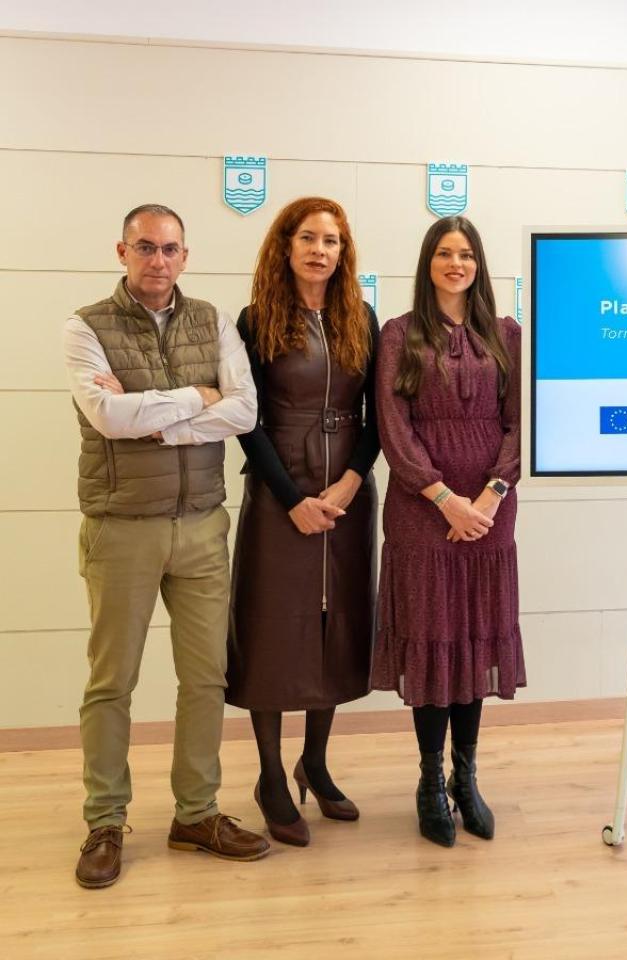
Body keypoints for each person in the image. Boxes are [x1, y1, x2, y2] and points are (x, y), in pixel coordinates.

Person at [66, 204, 268, 888]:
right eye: (146, 247)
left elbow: (245, 409)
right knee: (111, 683)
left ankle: (197, 815)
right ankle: (104, 821)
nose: (158, 260)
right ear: (121, 251)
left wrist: (160, 418)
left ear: (186, 255)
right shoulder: (86, 326)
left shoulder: (213, 320)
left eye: (170, 248)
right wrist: (197, 395)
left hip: (203, 524)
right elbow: (107, 414)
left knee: (206, 678)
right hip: (121, 526)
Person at [226, 197, 381, 846]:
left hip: (347, 494)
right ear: (285, 246)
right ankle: (270, 776)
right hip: (277, 491)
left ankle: (314, 763)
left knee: (332, 623)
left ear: (344, 253)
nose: (321, 251)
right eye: (309, 238)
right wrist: (291, 497)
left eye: (332, 241)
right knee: (270, 626)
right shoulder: (256, 319)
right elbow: (246, 420)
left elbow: (378, 418)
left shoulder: (360, 317)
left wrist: (350, 482)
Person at [372, 216, 524, 847]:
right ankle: (430, 781)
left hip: (489, 514)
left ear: (478, 264)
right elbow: (393, 428)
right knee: (434, 637)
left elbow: (520, 424)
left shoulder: (507, 335)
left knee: (474, 640)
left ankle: (466, 777)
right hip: (422, 514)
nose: (455, 263)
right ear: (427, 263)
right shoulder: (399, 334)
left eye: (465, 254)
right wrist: (444, 499)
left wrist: (489, 495)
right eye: (443, 253)